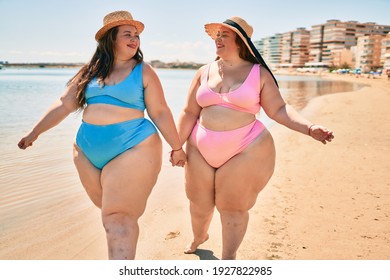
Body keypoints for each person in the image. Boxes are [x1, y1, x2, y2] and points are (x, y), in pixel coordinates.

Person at [17, 10, 186, 260]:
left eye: (137, 35)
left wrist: (177, 146)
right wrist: (35, 132)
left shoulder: (143, 70)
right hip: (87, 151)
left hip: (133, 146)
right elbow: (65, 104)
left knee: (118, 218)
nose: (134, 39)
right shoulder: (90, 72)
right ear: (110, 39)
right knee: (110, 216)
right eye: (127, 34)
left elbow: (159, 111)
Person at [176, 16, 334, 260]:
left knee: (233, 208)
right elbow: (188, 112)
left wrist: (309, 127)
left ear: (240, 42)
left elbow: (279, 109)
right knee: (199, 204)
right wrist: (176, 146)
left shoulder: (258, 73)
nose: (218, 39)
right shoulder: (203, 72)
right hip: (200, 146)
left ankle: (228, 259)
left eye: (224, 35)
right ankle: (200, 236)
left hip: (244, 148)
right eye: (217, 35)